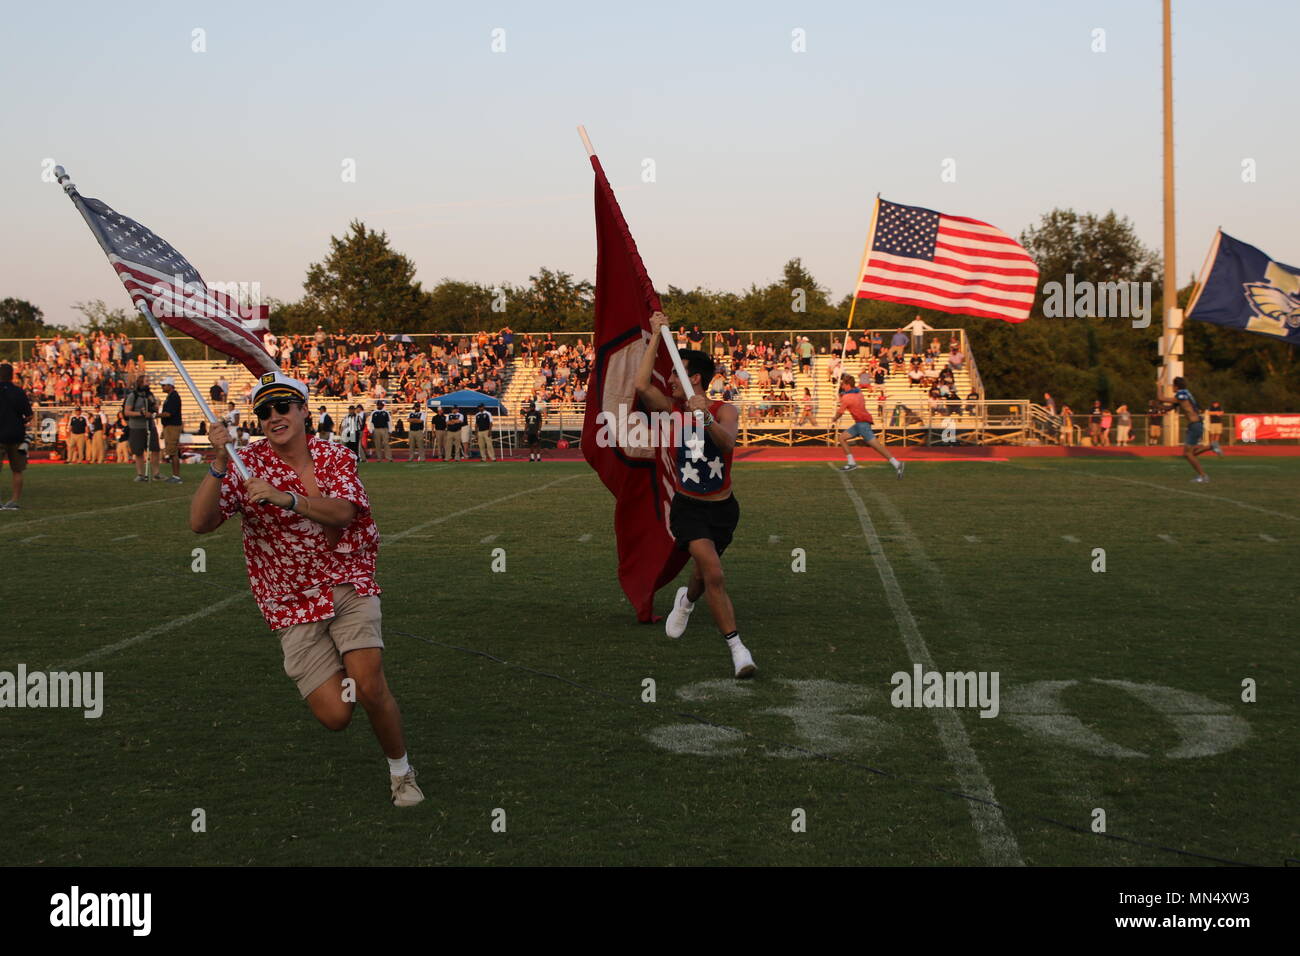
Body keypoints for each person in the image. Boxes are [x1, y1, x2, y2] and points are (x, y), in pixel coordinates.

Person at [190, 372, 423, 807]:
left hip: (346, 579)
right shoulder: (245, 464)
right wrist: (219, 462)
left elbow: (343, 511)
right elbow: (200, 524)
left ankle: (401, 772)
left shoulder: (333, 455)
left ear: (302, 411)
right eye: (264, 411)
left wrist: (287, 498)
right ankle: (340, 665)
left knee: (369, 685)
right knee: (336, 715)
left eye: (283, 407)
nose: (274, 416)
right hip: (290, 600)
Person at [637, 312, 755, 679]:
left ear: (696, 379)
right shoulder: (670, 409)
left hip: (723, 510)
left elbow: (727, 444)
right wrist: (657, 334)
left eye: (676, 373)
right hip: (688, 507)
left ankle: (686, 602)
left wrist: (705, 417)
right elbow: (642, 387)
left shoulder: (725, 410)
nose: (669, 379)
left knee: (704, 576)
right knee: (714, 572)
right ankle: (738, 649)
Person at [833, 374, 905, 477]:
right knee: (842, 438)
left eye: (843, 384)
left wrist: (834, 418)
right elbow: (850, 397)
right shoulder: (858, 392)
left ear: (847, 384)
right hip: (860, 423)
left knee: (877, 446)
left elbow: (840, 412)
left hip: (862, 424)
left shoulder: (847, 397)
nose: (842, 386)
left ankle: (897, 464)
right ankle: (851, 463)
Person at [1157, 376, 1224, 482]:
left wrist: (1159, 386)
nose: (1172, 388)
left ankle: (1203, 476)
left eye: (1172, 386)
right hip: (1195, 425)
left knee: (1188, 454)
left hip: (1195, 425)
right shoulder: (1184, 394)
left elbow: (1161, 398)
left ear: (1176, 386)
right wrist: (1157, 406)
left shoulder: (1181, 394)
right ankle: (1212, 446)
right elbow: (1169, 408)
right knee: (1190, 454)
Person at [0, 363, 33, 510]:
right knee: (17, 470)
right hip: (16, 435)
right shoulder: (19, 392)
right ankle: (14, 500)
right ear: (12, 375)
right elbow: (29, 415)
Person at [122, 374, 161, 482]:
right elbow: (127, 411)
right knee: (138, 451)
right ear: (140, 382)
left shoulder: (150, 395)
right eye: (146, 380)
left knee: (155, 449)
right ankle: (140, 474)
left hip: (150, 425)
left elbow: (154, 408)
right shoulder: (133, 396)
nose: (148, 382)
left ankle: (156, 474)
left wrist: (155, 408)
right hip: (137, 427)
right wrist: (140, 413)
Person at [159, 377, 184, 483]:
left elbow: (168, 414)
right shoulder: (171, 396)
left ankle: (176, 477)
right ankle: (175, 476)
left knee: (173, 452)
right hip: (170, 426)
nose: (162, 387)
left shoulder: (174, 397)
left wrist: (154, 415)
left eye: (164, 385)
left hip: (173, 426)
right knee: (172, 452)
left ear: (170, 386)